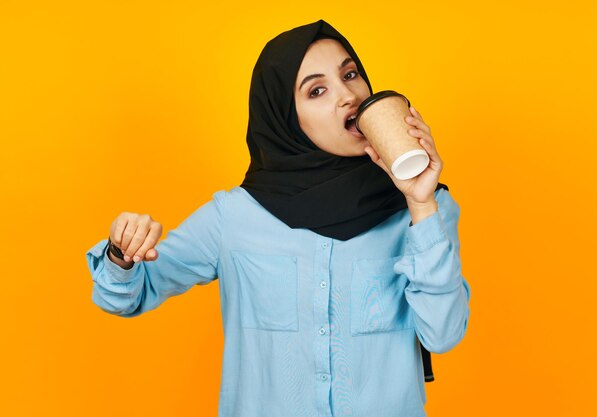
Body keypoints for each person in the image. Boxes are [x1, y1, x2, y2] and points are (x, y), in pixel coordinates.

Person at [85, 19, 470, 417]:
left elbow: (443, 334)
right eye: (317, 90)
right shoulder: (233, 217)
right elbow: (126, 296)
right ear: (286, 118)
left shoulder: (424, 211)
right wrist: (121, 254)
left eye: (350, 74)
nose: (348, 97)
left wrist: (421, 203)